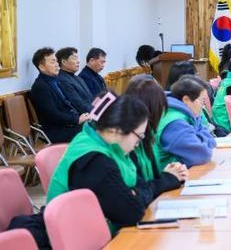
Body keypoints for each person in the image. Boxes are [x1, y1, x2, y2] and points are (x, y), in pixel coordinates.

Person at [46, 94, 186, 233]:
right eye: (139, 137)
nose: (138, 144)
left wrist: (135, 193)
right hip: (77, 235)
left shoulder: (102, 142)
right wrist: (135, 193)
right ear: (115, 130)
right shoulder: (96, 161)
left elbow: (138, 187)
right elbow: (132, 212)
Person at [124, 74, 190, 183]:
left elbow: (153, 178)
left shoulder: (149, 134)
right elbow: (141, 188)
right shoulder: (130, 141)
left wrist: (173, 172)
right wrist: (168, 177)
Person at [30, 47, 89, 142]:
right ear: (41, 67)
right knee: (95, 131)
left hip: (68, 125)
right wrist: (77, 119)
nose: (57, 64)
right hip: (57, 131)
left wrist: (82, 116)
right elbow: (53, 116)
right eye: (52, 62)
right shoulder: (40, 87)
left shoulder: (55, 81)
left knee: (98, 125)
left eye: (56, 61)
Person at [155, 78, 216, 168]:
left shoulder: (189, 114)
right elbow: (202, 154)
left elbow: (212, 142)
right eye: (202, 101)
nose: (203, 106)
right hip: (169, 174)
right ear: (186, 99)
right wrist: (201, 140)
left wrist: (199, 140)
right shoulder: (175, 123)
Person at [55, 47, 93, 113]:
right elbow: (77, 104)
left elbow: (90, 98)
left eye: (77, 58)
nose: (78, 61)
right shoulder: (62, 80)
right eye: (74, 58)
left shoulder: (78, 78)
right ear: (64, 62)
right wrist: (95, 112)